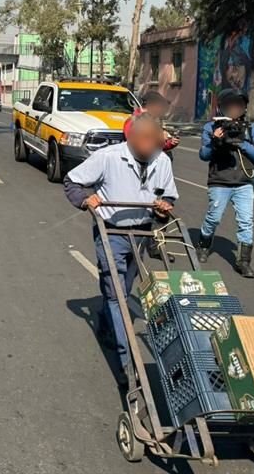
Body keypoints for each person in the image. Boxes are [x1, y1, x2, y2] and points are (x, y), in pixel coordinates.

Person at [64, 114, 179, 385]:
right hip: (112, 231)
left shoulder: (161, 161)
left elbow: (168, 195)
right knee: (116, 296)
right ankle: (128, 362)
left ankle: (106, 323)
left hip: (141, 232)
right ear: (132, 137)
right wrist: (85, 199)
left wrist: (163, 208)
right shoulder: (108, 157)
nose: (150, 146)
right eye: (146, 139)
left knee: (124, 291)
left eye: (155, 140)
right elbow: (72, 181)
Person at [195, 88, 254, 278]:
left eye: (239, 105)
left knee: (246, 222)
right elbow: (204, 155)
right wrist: (215, 141)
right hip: (220, 181)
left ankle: (244, 262)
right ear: (223, 107)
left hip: (244, 182)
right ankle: (203, 245)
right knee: (214, 217)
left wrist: (241, 143)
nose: (236, 109)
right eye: (231, 105)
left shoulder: (251, 129)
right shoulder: (211, 127)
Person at [124, 91, 180, 157]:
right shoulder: (133, 121)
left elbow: (159, 148)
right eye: (160, 106)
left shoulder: (154, 119)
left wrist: (170, 143)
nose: (161, 109)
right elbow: (138, 145)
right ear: (150, 105)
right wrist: (160, 138)